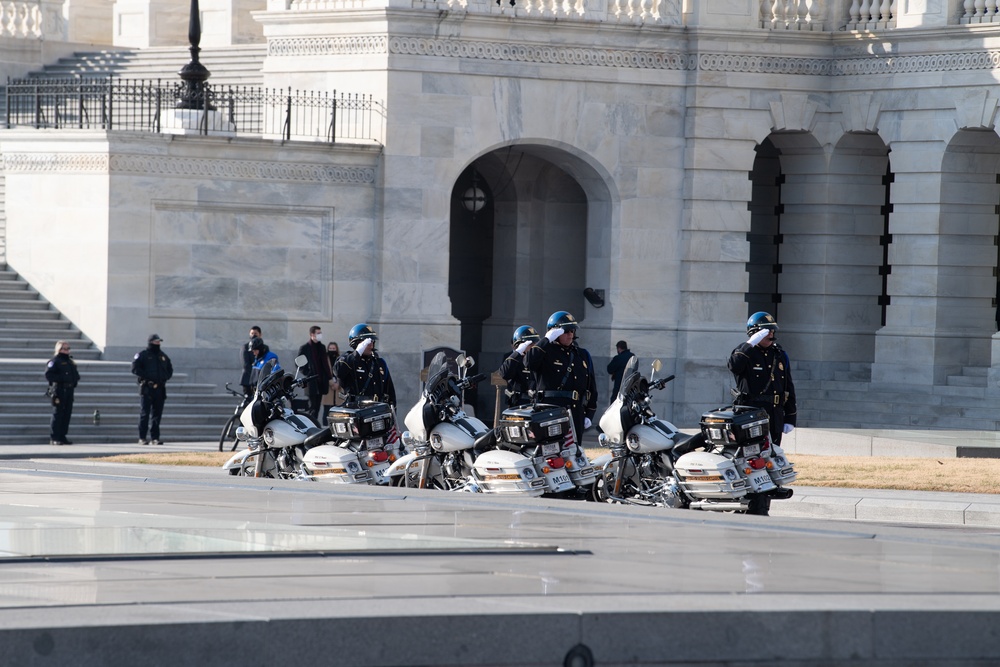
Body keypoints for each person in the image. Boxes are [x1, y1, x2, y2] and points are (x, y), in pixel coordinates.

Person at [728, 312, 797, 516]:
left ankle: (763, 507)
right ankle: (750, 505)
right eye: (767, 332)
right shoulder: (745, 353)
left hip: (774, 415)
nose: (772, 335)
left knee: (769, 462)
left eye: (773, 331)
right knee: (751, 462)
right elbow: (734, 365)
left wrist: (790, 416)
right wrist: (749, 344)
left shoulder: (779, 354)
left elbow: (788, 386)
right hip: (751, 416)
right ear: (755, 333)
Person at [525, 311, 597, 442]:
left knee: (574, 453)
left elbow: (591, 386)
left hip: (575, 412)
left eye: (572, 330)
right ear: (555, 333)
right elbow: (529, 362)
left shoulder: (582, 354)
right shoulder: (545, 351)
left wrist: (590, 414)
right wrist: (546, 340)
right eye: (566, 331)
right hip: (550, 411)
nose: (570, 334)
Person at [334, 323, 396, 407]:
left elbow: (390, 391)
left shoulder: (379, 363)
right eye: (366, 342)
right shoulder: (347, 360)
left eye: (372, 341)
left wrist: (392, 411)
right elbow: (339, 372)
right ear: (356, 343)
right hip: (356, 408)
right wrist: (357, 353)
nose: (371, 344)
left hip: (378, 408)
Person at [132, 333, 173, 446]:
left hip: (160, 389)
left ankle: (155, 438)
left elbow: (169, 370)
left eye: (159, 341)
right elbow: (135, 369)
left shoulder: (163, 356)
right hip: (147, 388)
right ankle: (142, 438)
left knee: (157, 415)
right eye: (156, 341)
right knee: (145, 414)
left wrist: (164, 378)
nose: (158, 343)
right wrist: (147, 377)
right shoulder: (143, 355)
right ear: (151, 342)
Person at [296, 325, 334, 423]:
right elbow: (298, 364)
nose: (320, 335)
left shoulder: (321, 347)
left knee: (317, 406)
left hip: (321, 381)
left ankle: (315, 423)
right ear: (312, 334)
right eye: (318, 333)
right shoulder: (305, 348)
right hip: (311, 381)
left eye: (320, 333)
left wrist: (329, 377)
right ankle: (311, 424)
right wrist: (307, 373)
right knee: (312, 406)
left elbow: (325, 363)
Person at [45, 340, 79, 445]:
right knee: (58, 414)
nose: (67, 351)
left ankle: (62, 436)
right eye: (64, 348)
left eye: (68, 348)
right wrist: (63, 379)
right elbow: (49, 375)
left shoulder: (70, 361)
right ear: (59, 349)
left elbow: (75, 374)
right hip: (59, 390)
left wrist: (74, 381)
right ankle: (54, 437)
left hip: (69, 390)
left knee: (67, 414)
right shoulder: (55, 361)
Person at [499, 325, 539, 408]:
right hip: (518, 403)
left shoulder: (536, 358)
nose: (533, 346)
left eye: (535, 343)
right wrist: (517, 353)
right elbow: (505, 374)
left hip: (535, 402)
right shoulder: (513, 358)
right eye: (530, 344)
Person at [321, 341, 343, 424]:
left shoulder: (341, 359)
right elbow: (324, 372)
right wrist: (331, 382)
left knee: (337, 410)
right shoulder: (324, 360)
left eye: (334, 348)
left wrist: (338, 383)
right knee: (326, 410)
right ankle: (325, 426)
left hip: (338, 387)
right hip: (328, 387)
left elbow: (343, 373)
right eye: (330, 348)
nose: (332, 350)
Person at [240, 326, 262, 396]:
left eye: (255, 333)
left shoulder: (264, 348)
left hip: (260, 381)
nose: (253, 335)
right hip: (248, 380)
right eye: (252, 333)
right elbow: (246, 365)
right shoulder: (245, 347)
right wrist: (254, 377)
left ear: (260, 334)